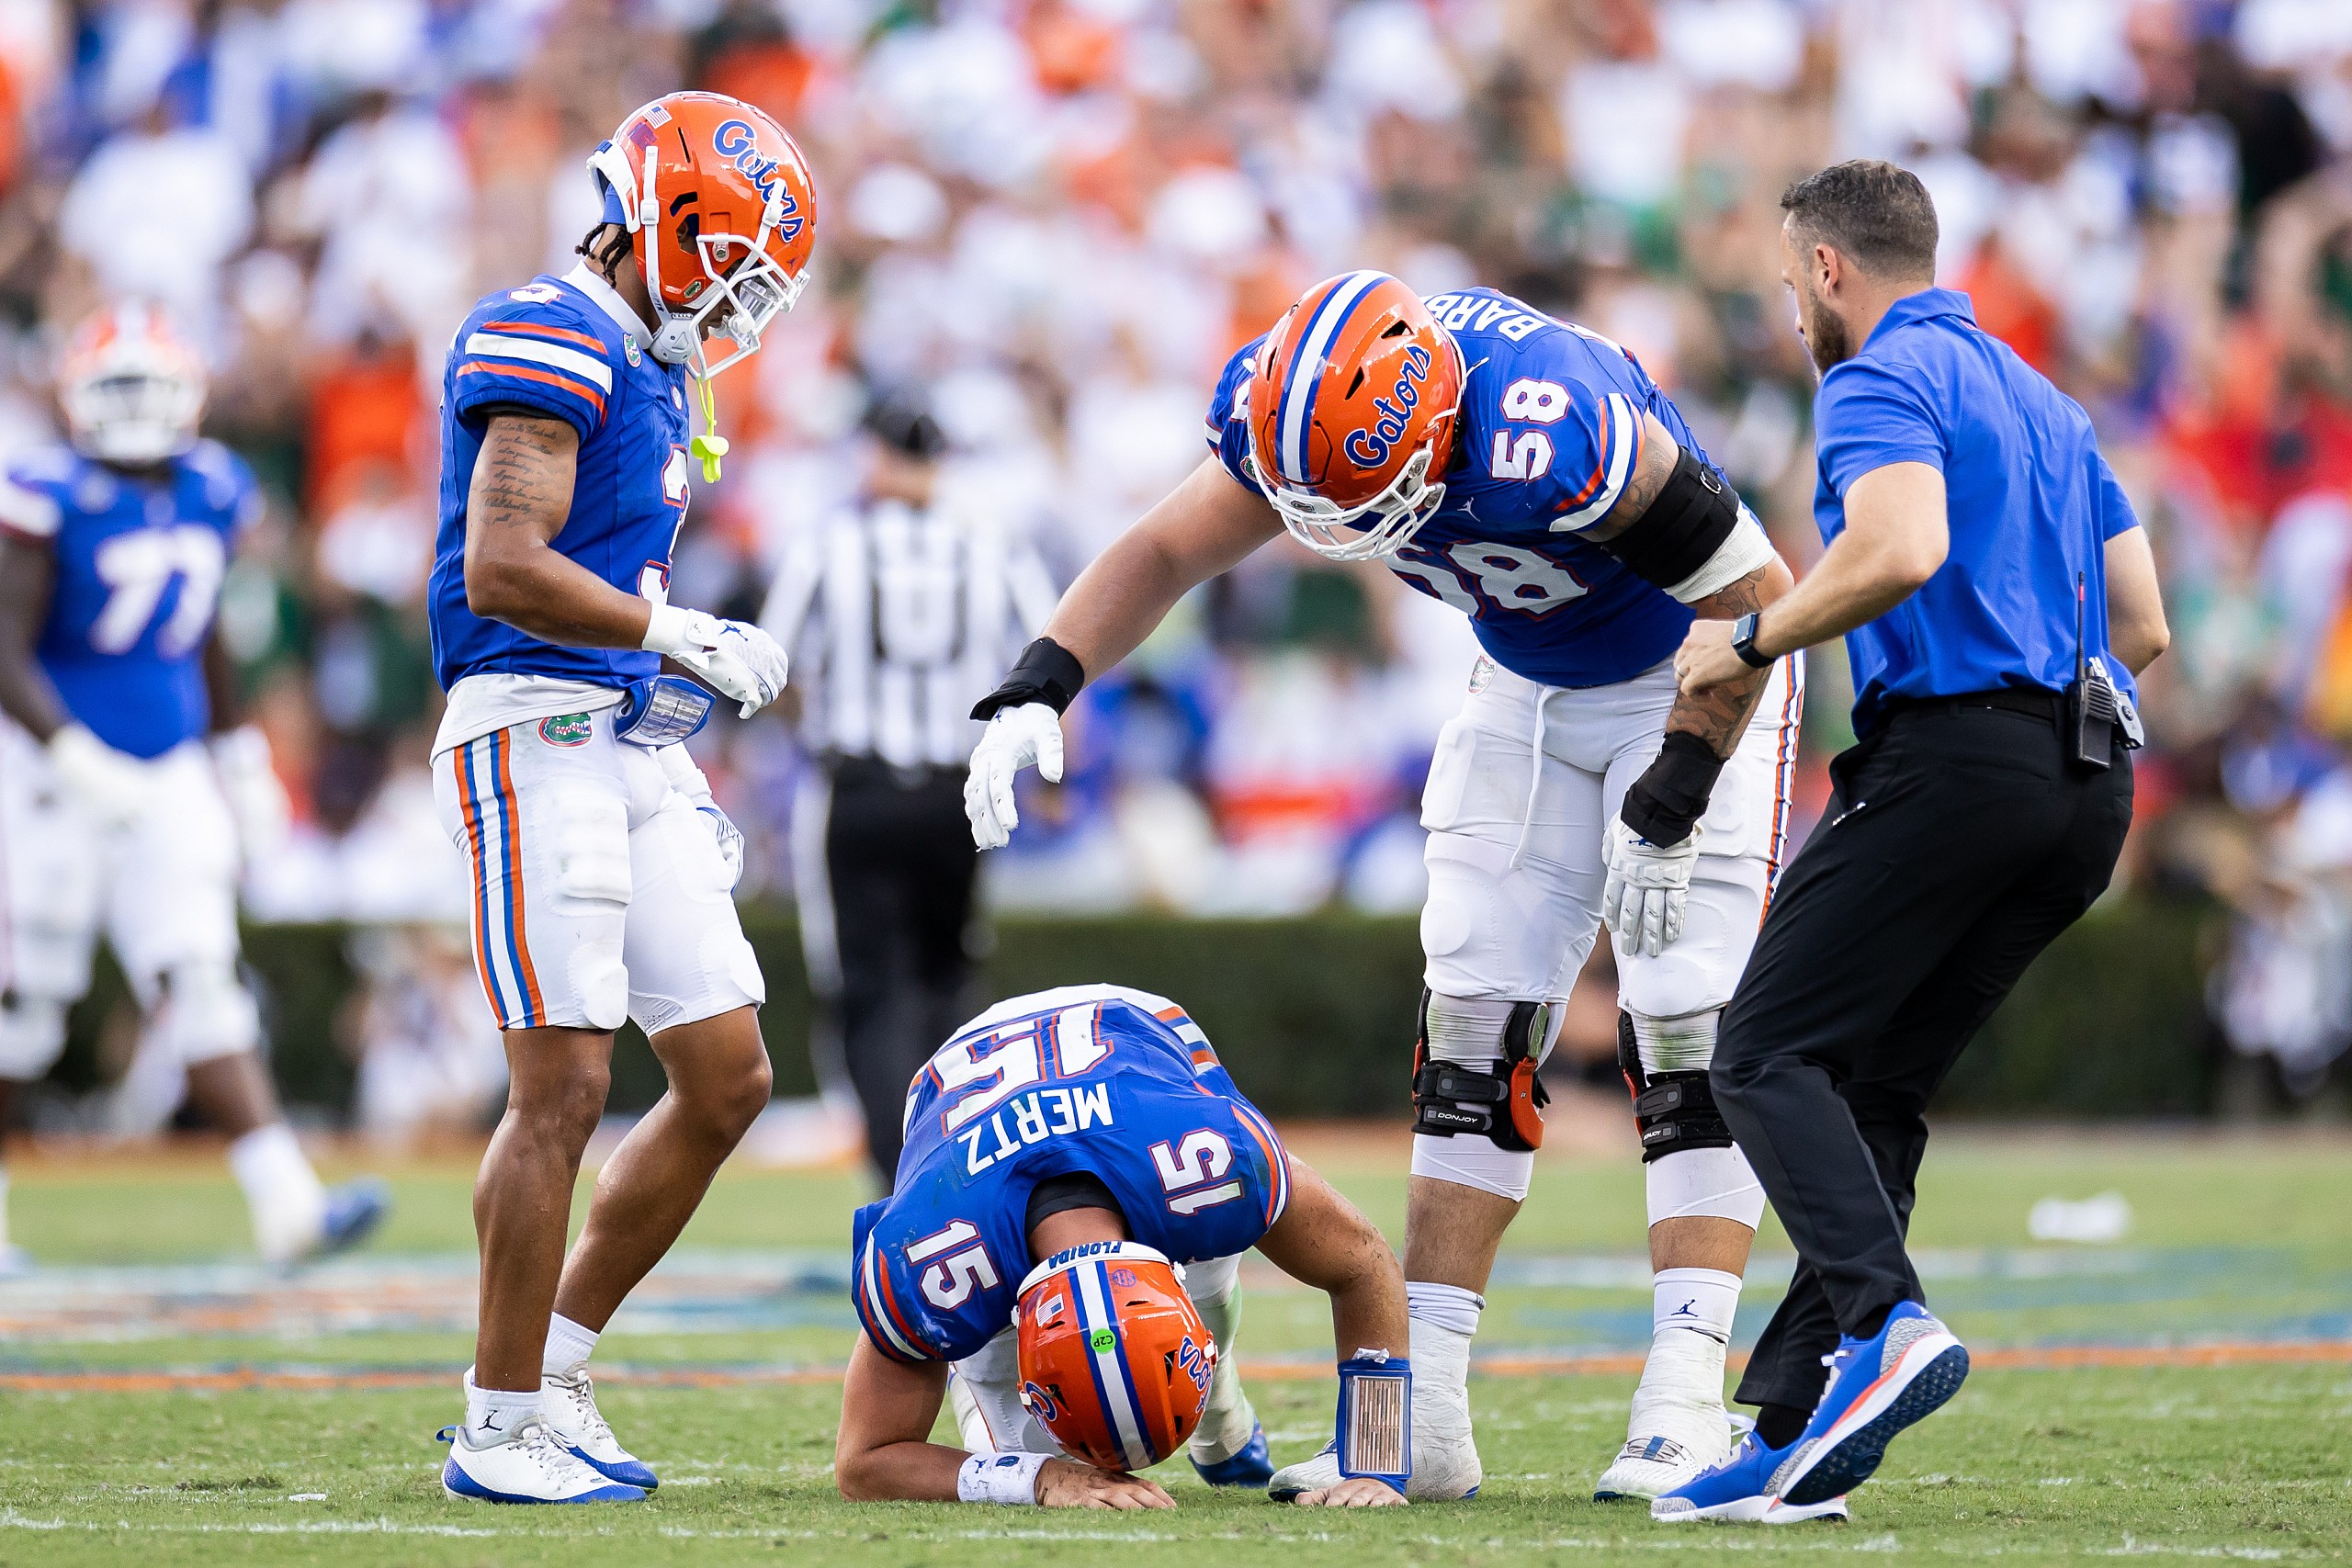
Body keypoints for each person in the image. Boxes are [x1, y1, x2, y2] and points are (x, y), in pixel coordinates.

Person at [965, 270, 1804, 1501]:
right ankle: (1430, 1408)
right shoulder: (1293, 406)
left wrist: (1681, 779)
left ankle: (1685, 1395)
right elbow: (1165, 544)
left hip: (1692, 669)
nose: (1340, 529)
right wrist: (1040, 679)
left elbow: (1755, 599)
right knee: (1472, 1019)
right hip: (1523, 683)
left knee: (1682, 1014)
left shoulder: (1551, 418)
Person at [1657, 160, 2170, 1525]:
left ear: (1830, 267)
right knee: (1869, 1084)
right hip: (2086, 781)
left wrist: (1751, 635)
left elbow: (1901, 545)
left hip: (1959, 757)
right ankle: (1795, 1420)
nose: (1790, 308)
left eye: (1788, 280)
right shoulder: (2047, 397)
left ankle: (1884, 1323)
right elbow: (2147, 619)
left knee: (1762, 1047)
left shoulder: (1873, 377)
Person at [424, 91, 810, 1506]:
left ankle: (560, 1366)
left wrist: (664, 668)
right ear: (671, 224)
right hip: (533, 722)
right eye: (732, 266)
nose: (737, 303)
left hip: (632, 741)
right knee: (565, 1081)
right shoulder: (555, 323)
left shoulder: (652, 357)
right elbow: (502, 564)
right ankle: (498, 1419)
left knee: (726, 1075)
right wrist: (676, 631)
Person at [0, 301, 388, 1271]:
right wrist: (70, 754)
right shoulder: (45, 493)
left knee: (203, 978)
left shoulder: (215, 487)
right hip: (46, 769)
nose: (133, 408)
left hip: (168, 765)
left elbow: (204, 633)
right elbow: (4, 647)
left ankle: (288, 1205)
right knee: (25, 1000)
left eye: (149, 386)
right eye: (115, 387)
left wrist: (239, 753)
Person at [833, 982, 1418, 1506]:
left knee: (1215, 1262)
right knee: (1023, 1454)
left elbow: (1360, 1261)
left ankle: (1220, 1408)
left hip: (1133, 1032)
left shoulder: (1206, 1167)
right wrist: (1038, 1478)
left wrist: (1375, 1461)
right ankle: (998, 1375)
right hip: (960, 1095)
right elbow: (864, 1462)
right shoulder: (938, 1256)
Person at [759, 389, 1058, 1188]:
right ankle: (964, 1168)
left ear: (877, 455)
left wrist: (812, 725)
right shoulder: (991, 545)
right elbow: (1050, 652)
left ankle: (904, 1183)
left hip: (857, 788)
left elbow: (773, 665)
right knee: (948, 979)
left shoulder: (830, 542)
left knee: (866, 990)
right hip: (956, 796)